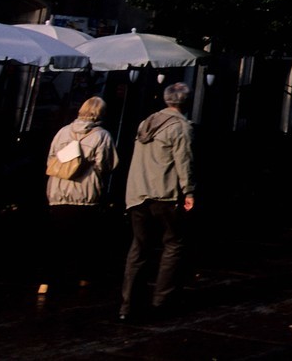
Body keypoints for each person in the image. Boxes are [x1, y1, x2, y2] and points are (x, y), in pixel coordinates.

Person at [120, 82, 196, 321]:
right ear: (186, 102)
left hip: (138, 193)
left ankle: (128, 306)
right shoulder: (181, 127)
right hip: (165, 193)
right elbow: (184, 161)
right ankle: (162, 302)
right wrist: (190, 191)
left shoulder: (146, 122)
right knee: (174, 243)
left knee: (139, 248)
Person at [40, 96, 117, 297]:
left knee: (56, 238)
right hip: (86, 192)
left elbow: (50, 158)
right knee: (84, 238)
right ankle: (82, 277)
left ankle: (47, 281)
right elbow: (106, 165)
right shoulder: (102, 136)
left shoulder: (63, 132)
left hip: (58, 190)